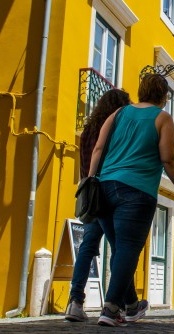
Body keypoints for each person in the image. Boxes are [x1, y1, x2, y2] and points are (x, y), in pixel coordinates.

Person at [89, 74, 174, 327]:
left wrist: (91, 180)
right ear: (164, 96)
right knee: (127, 250)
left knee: (120, 250)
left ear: (141, 90)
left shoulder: (119, 113)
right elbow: (168, 159)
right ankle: (112, 309)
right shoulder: (162, 118)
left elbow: (99, 148)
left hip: (104, 188)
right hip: (136, 191)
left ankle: (132, 306)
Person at [65, 89, 131, 323]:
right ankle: (119, 305)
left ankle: (75, 301)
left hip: (90, 195)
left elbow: (85, 165)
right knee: (120, 247)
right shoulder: (113, 130)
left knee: (87, 247)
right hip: (109, 192)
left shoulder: (87, 130)